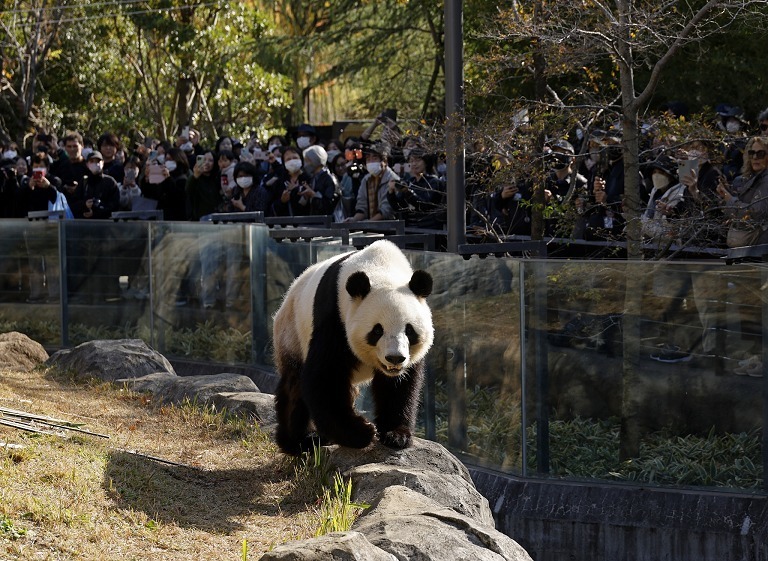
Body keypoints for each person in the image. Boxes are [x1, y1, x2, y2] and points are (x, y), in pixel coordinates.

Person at [386, 148, 445, 229]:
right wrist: (391, 192)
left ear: (426, 162)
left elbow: (424, 205)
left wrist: (408, 192)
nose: (414, 164)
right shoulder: (410, 182)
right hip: (408, 229)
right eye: (411, 161)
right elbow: (398, 207)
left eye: (417, 160)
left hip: (428, 230)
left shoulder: (434, 182)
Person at [346, 142, 399, 222]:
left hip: (389, 227)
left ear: (384, 161)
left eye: (374, 158)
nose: (371, 162)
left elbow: (387, 209)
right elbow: (362, 206)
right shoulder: (366, 180)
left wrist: (369, 223)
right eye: (368, 159)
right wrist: (354, 220)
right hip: (370, 227)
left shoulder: (392, 179)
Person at [140, 147, 189, 220]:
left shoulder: (183, 180)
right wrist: (147, 180)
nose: (167, 162)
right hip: (160, 218)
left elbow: (178, 198)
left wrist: (168, 179)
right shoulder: (161, 177)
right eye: (166, 159)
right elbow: (150, 194)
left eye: (171, 159)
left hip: (176, 220)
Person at [301, 145, 342, 219]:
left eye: (307, 160)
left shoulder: (329, 179)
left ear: (315, 160)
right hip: (315, 222)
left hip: (328, 223)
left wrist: (313, 195)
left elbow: (329, 204)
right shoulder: (313, 178)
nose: (305, 164)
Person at [270, 147, 312, 217]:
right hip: (285, 224)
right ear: (284, 163)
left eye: (295, 158)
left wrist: (296, 190)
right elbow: (273, 207)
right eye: (288, 159)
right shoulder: (280, 182)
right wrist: (282, 201)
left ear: (301, 159)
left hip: (306, 223)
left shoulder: (309, 178)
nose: (292, 161)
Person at [186, 152, 222, 221]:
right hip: (199, 219)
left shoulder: (217, 177)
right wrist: (195, 176)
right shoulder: (194, 178)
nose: (207, 163)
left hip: (216, 217)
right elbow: (188, 190)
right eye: (204, 160)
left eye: (210, 160)